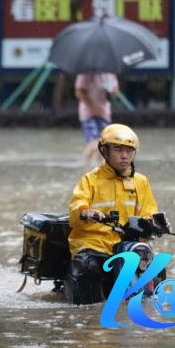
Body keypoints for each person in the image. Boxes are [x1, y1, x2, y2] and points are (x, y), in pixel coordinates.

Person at [66, 124, 163, 305]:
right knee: (89, 269)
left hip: (127, 246)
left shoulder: (141, 182)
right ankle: (89, 318)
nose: (124, 155)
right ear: (105, 151)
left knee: (157, 269)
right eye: (118, 149)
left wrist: (156, 224)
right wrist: (85, 211)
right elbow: (76, 206)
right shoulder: (90, 180)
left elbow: (149, 211)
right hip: (94, 245)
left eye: (129, 150)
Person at [74, 73, 119, 169]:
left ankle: (98, 168)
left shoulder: (109, 74)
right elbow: (79, 92)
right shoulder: (85, 73)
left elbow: (115, 93)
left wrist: (111, 89)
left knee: (103, 144)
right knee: (94, 143)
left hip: (104, 113)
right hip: (88, 113)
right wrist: (92, 106)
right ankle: (84, 167)